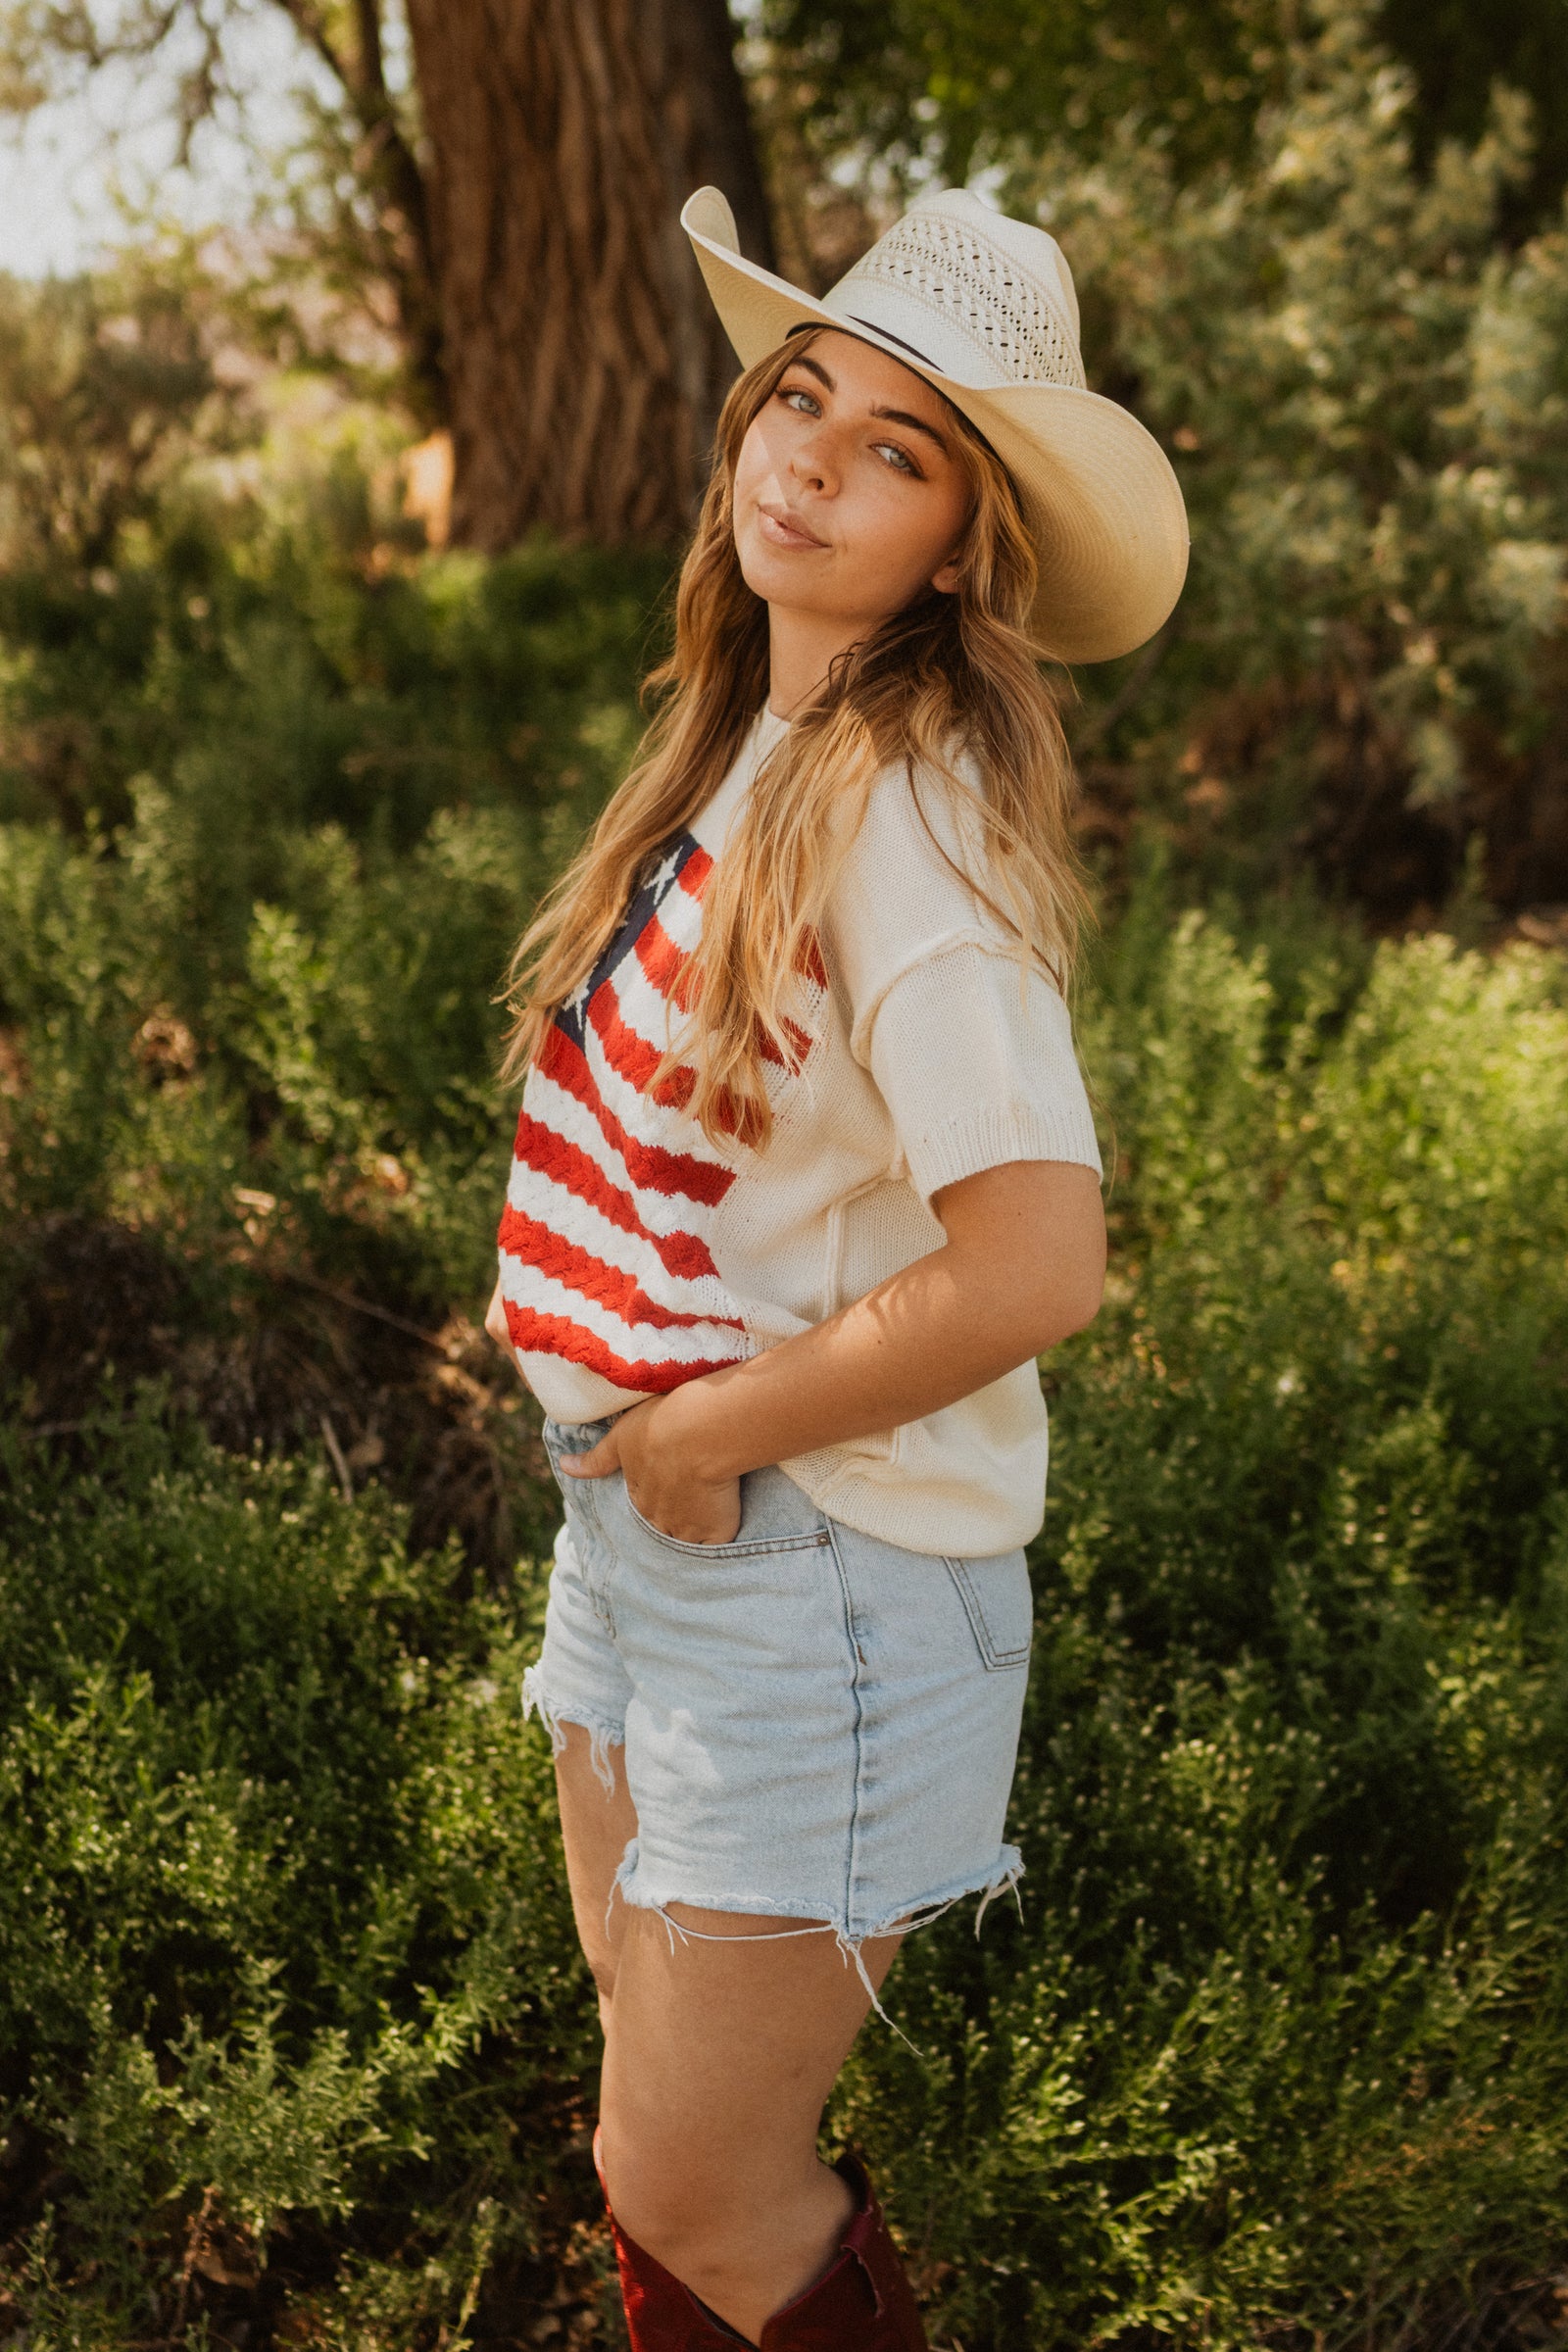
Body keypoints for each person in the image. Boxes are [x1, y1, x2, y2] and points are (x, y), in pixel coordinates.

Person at [484, 182, 1187, 2351]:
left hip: (828, 1581)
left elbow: (1035, 1260)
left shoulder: (909, 816)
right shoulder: (756, 745)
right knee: (656, 2144)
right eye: (801, 397)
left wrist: (708, 1429)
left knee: (690, 2173)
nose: (807, 455)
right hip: (660, 1543)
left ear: (961, 544)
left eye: (892, 447)